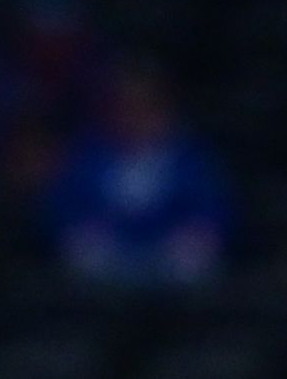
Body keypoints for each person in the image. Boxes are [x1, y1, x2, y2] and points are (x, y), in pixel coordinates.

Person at [37, 58, 233, 288]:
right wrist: (82, 228)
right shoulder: (88, 154)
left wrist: (197, 231)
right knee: (84, 252)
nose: (137, 117)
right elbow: (62, 204)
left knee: (193, 256)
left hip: (170, 248)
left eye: (147, 107)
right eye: (128, 108)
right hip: (109, 248)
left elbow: (213, 205)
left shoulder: (191, 156)